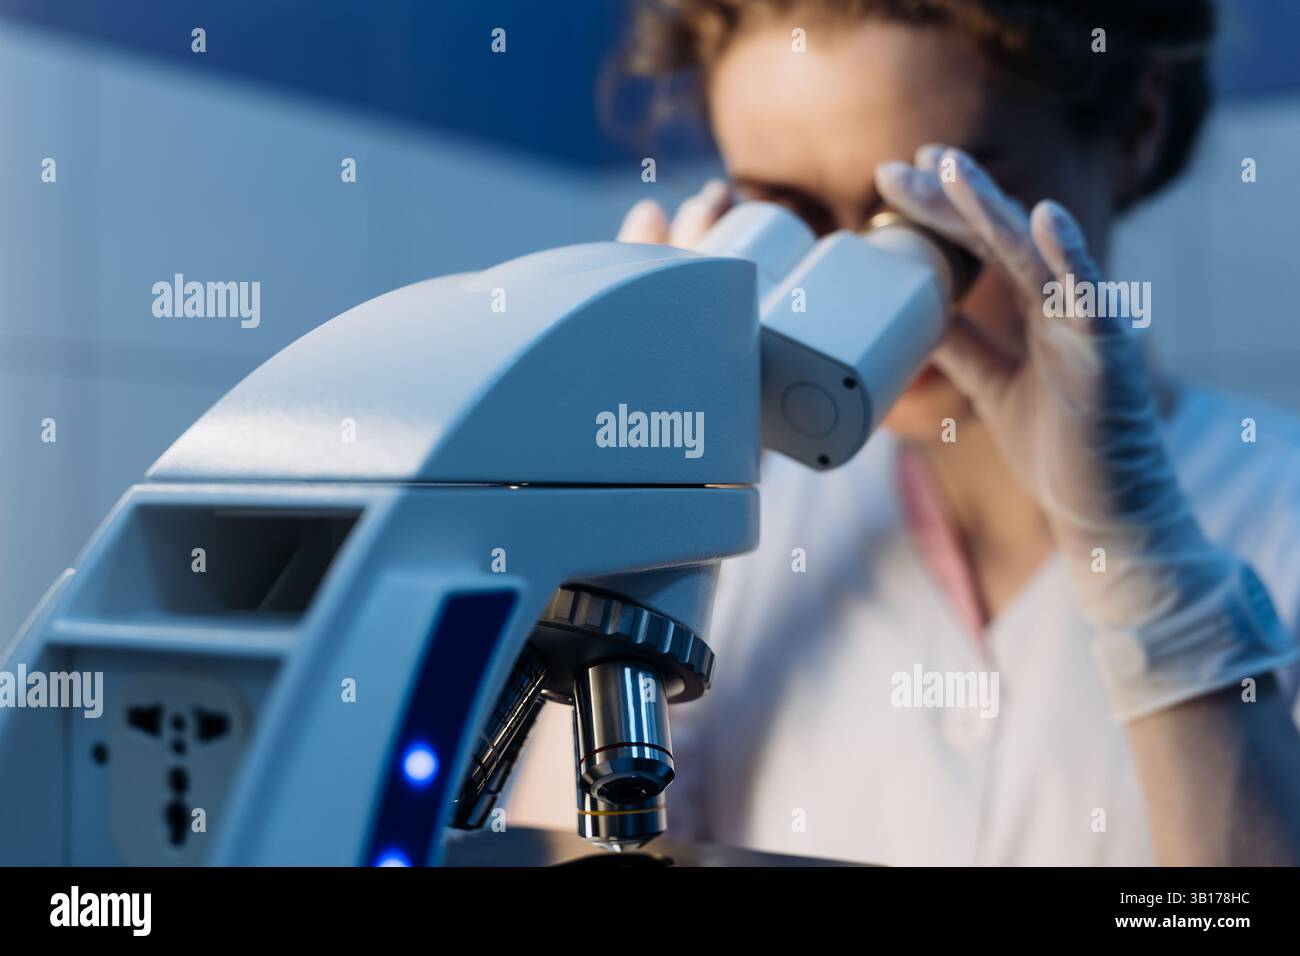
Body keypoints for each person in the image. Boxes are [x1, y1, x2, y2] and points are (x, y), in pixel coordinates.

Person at [507, 0, 1300, 865]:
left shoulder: (1277, 507)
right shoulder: (736, 529)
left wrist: (1155, 583)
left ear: (1136, 128)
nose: (853, 291)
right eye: (790, 213)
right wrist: (627, 555)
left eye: (923, 224)